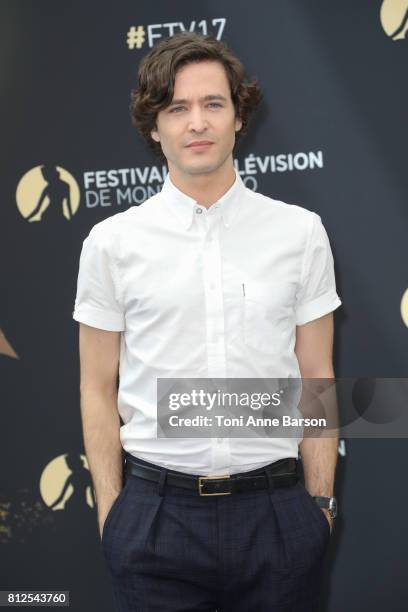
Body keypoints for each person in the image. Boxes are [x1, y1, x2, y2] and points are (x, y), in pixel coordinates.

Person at [73, 31, 342, 612]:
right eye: (177, 108)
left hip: (277, 517)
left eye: (213, 104)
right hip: (155, 520)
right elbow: (97, 386)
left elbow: (316, 374)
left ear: (238, 118)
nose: (197, 122)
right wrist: (112, 514)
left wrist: (318, 506)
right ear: (155, 126)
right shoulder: (112, 244)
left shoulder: (299, 233)